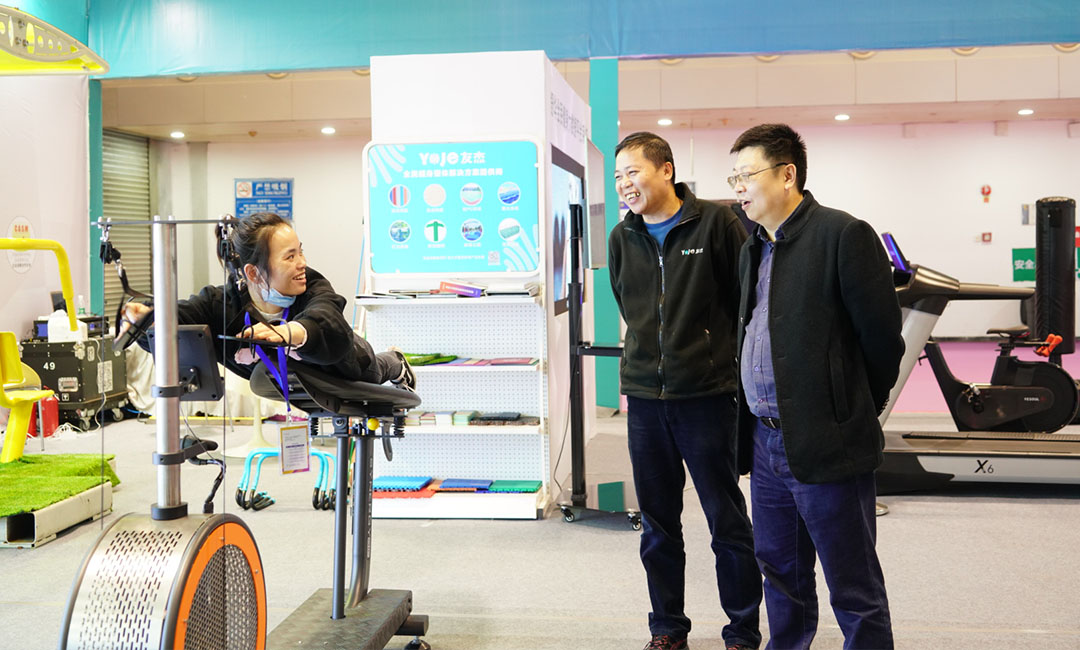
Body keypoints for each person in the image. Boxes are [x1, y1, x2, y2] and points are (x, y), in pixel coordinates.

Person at [729, 123, 903, 649]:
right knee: (780, 573)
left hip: (829, 439)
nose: (738, 188)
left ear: (787, 175)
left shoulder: (843, 235)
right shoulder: (753, 248)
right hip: (765, 440)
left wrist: (850, 410)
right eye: (733, 178)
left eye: (746, 175)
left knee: (851, 580)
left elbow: (882, 342)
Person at [608, 132, 761, 650]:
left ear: (666, 170)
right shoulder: (621, 237)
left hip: (707, 397)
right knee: (658, 525)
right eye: (618, 176)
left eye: (633, 172)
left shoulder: (717, 223)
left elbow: (745, 302)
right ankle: (667, 629)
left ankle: (742, 632)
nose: (624, 184)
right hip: (645, 401)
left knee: (726, 520)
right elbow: (629, 306)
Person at [118, 211, 415, 390]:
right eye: (290, 256)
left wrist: (288, 333)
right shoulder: (222, 303)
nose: (302, 263)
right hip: (294, 385)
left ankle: (396, 361)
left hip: (349, 365)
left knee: (377, 368)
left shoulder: (312, 284)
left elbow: (327, 317)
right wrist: (145, 317)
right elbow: (179, 317)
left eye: (301, 251)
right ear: (252, 272)